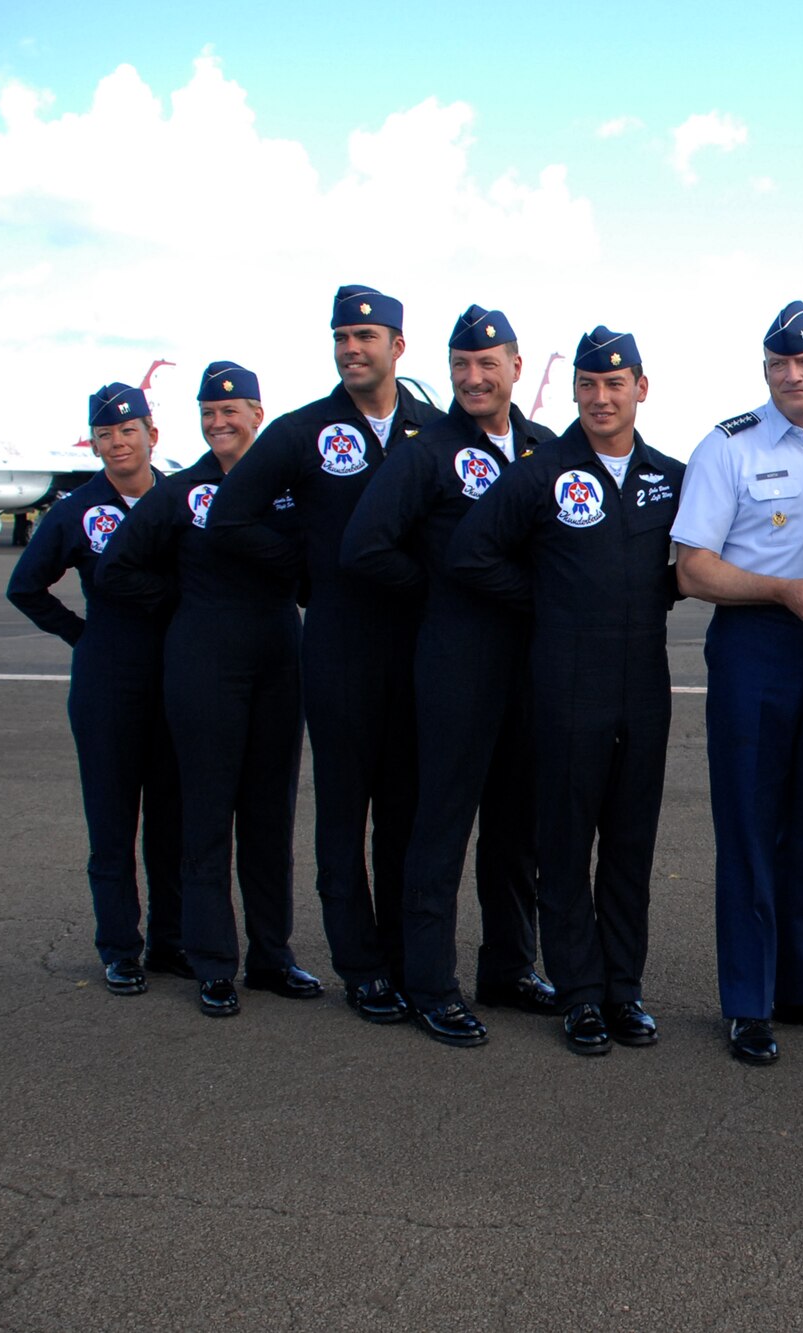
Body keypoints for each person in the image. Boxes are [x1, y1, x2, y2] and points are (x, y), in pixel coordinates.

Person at [206, 285, 441, 1023]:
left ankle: (405, 954)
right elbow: (230, 516)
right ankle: (361, 966)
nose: (352, 348)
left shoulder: (432, 430)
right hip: (339, 646)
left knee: (406, 812)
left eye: (366, 335)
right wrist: (305, 569)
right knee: (344, 814)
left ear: (398, 346)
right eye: (342, 335)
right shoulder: (303, 431)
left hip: (417, 647)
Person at [448, 325, 684, 1057]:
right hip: (563, 687)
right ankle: (580, 994)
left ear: (641, 388)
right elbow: (470, 552)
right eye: (588, 383)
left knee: (630, 845)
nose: (601, 396)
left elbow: (701, 555)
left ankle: (623, 989)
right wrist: (546, 597)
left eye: (616, 383)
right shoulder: (541, 470)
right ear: (574, 389)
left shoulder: (669, 476)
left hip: (643, 685)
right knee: (565, 841)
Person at [341, 305, 559, 1048]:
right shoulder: (424, 451)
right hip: (456, 666)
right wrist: (437, 589)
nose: (472, 377)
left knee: (514, 827)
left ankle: (509, 967)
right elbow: (365, 547)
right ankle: (430, 982)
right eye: (461, 364)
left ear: (515, 368)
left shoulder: (543, 448)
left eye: (487, 363)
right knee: (440, 828)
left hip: (527, 670)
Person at [670, 300, 803, 1065]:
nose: (794, 375)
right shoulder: (728, 447)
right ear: (767, 372)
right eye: (779, 364)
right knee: (752, 823)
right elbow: (693, 567)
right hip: (757, 642)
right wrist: (777, 589)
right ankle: (748, 1000)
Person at [98, 362, 320, 1017]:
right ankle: (213, 963)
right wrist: (180, 604)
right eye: (208, 412)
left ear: (257, 412)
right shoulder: (182, 492)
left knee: (269, 814)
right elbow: (115, 570)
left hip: (280, 660)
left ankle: (271, 956)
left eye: (232, 410)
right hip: (204, 667)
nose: (219, 422)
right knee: (206, 815)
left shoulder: (286, 488)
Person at [7, 382, 184, 994]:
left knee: (173, 821)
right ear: (95, 441)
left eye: (128, 430)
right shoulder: (76, 509)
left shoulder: (184, 497)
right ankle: (119, 948)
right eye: (105, 434)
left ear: (151, 434)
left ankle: (171, 942)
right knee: (113, 822)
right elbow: (25, 587)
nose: (117, 443)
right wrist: (82, 636)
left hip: (179, 682)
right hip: (108, 685)